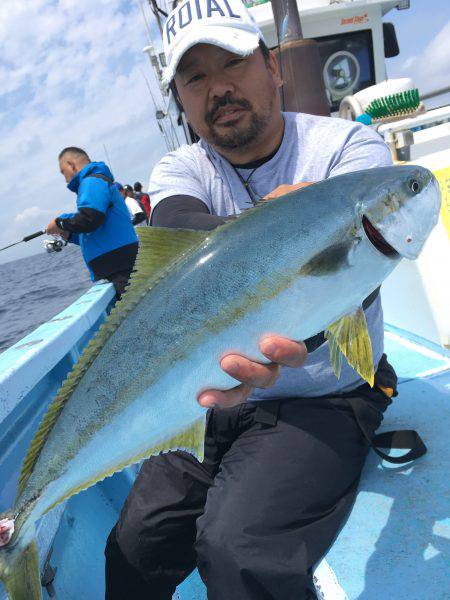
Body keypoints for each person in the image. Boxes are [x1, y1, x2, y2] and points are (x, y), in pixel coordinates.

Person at [104, 1, 413, 598]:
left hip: (327, 395)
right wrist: (290, 228)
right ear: (182, 101)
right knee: (134, 544)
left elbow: (361, 269)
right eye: (195, 78)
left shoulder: (349, 151)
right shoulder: (181, 168)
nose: (218, 87)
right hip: (212, 394)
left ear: (272, 67)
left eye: (234, 63)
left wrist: (301, 272)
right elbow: (182, 226)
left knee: (239, 552)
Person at [46, 147, 138, 299]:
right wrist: (67, 233)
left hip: (120, 269)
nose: (65, 179)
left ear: (71, 164)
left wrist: (60, 223)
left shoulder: (92, 180)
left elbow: (90, 219)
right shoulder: (94, 182)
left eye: (63, 172)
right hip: (118, 269)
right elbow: (94, 230)